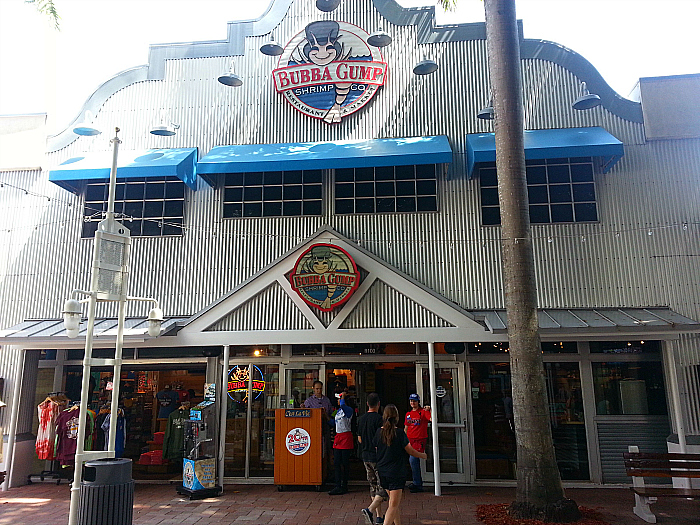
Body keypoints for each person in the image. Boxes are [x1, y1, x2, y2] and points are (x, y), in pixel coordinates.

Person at [374, 404, 427, 525]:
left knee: (393, 503)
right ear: (396, 417)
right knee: (393, 505)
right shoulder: (399, 433)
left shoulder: (378, 432)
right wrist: (422, 455)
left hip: (383, 471)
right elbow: (410, 451)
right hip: (396, 472)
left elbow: (376, 448)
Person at [357, 393, 388, 525]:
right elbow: (381, 439)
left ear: (367, 404)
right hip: (377, 457)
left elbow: (359, 438)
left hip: (365, 455)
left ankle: (378, 515)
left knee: (372, 485)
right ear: (378, 404)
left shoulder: (361, 419)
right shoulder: (379, 419)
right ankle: (371, 511)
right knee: (383, 486)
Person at [302, 380, 334, 479]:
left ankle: (327, 472)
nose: (318, 391)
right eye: (317, 389)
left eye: (320, 389)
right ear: (313, 389)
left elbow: (330, 415)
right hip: (312, 430)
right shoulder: (309, 401)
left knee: (327, 450)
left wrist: (325, 415)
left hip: (325, 427)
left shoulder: (327, 400)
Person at [328, 391, 354, 495]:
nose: (338, 401)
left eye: (339, 399)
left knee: (345, 463)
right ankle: (338, 485)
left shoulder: (349, 410)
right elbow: (334, 422)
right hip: (338, 437)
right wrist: (325, 417)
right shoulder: (338, 411)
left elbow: (343, 405)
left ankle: (345, 485)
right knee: (337, 463)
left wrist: (343, 396)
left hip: (346, 437)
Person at [404, 393, 431, 493]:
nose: (412, 403)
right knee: (412, 462)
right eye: (411, 401)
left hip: (419, 440)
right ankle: (416, 482)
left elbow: (432, 419)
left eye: (414, 401)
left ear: (418, 402)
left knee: (413, 460)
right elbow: (406, 428)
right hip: (409, 441)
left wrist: (429, 409)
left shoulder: (423, 412)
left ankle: (417, 483)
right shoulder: (408, 414)